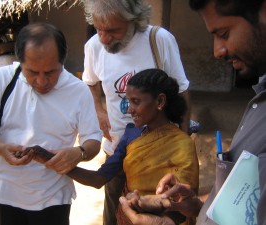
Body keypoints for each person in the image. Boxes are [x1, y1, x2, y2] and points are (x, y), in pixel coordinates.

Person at [119, 0, 266, 224]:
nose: (217, 51)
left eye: (225, 33)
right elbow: (246, 203)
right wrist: (198, 204)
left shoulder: (180, 143)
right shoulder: (259, 102)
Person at [0, 23, 102, 225]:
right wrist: (2, 148)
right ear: (20, 62)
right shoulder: (2, 79)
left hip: (53, 198)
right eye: (32, 72)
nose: (41, 81)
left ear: (62, 62)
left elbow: (93, 140)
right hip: (5, 193)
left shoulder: (78, 91)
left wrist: (79, 153)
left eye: (50, 72)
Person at [82, 1, 191, 224]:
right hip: (116, 148)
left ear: (133, 20)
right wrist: (99, 109)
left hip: (160, 153)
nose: (104, 38)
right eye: (98, 29)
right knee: (115, 211)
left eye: (113, 30)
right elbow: (90, 82)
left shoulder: (158, 40)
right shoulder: (94, 46)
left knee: (158, 212)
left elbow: (182, 91)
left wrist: (183, 141)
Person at [68, 68, 199, 225]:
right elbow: (99, 179)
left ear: (160, 102)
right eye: (128, 101)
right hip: (130, 218)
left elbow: (183, 204)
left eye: (136, 101)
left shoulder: (182, 145)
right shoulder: (131, 135)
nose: (129, 109)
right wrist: (60, 165)